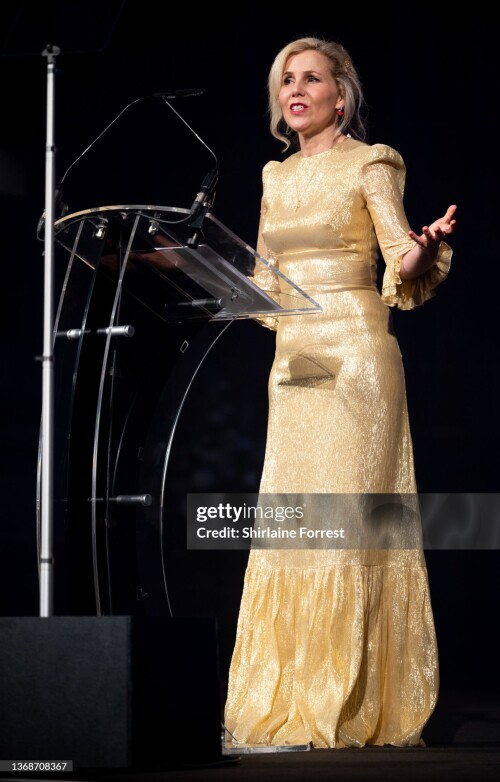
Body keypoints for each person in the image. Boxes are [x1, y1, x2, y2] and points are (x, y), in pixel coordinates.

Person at [223, 36, 457, 750]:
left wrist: (425, 245)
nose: (295, 90)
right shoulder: (275, 176)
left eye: (311, 78)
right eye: (286, 80)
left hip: (355, 355)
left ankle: (352, 701)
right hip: (296, 360)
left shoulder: (370, 162)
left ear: (341, 96)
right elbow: (264, 277)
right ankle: (289, 697)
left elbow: (400, 256)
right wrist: (195, 272)